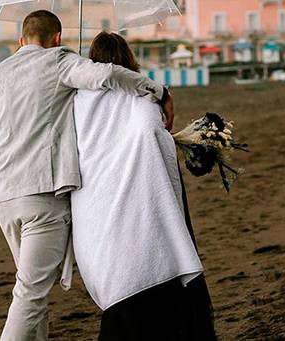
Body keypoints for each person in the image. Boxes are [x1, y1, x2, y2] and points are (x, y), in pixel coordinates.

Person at [0, 11, 173, 341]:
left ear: (21, 41)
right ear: (56, 38)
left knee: (33, 288)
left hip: (1, 195)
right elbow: (108, 75)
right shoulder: (57, 61)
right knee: (30, 293)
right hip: (41, 195)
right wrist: (159, 92)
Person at [72, 31, 217, 341]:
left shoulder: (77, 102)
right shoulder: (141, 97)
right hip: (140, 202)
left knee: (119, 277)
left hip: (96, 207)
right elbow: (152, 133)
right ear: (128, 60)